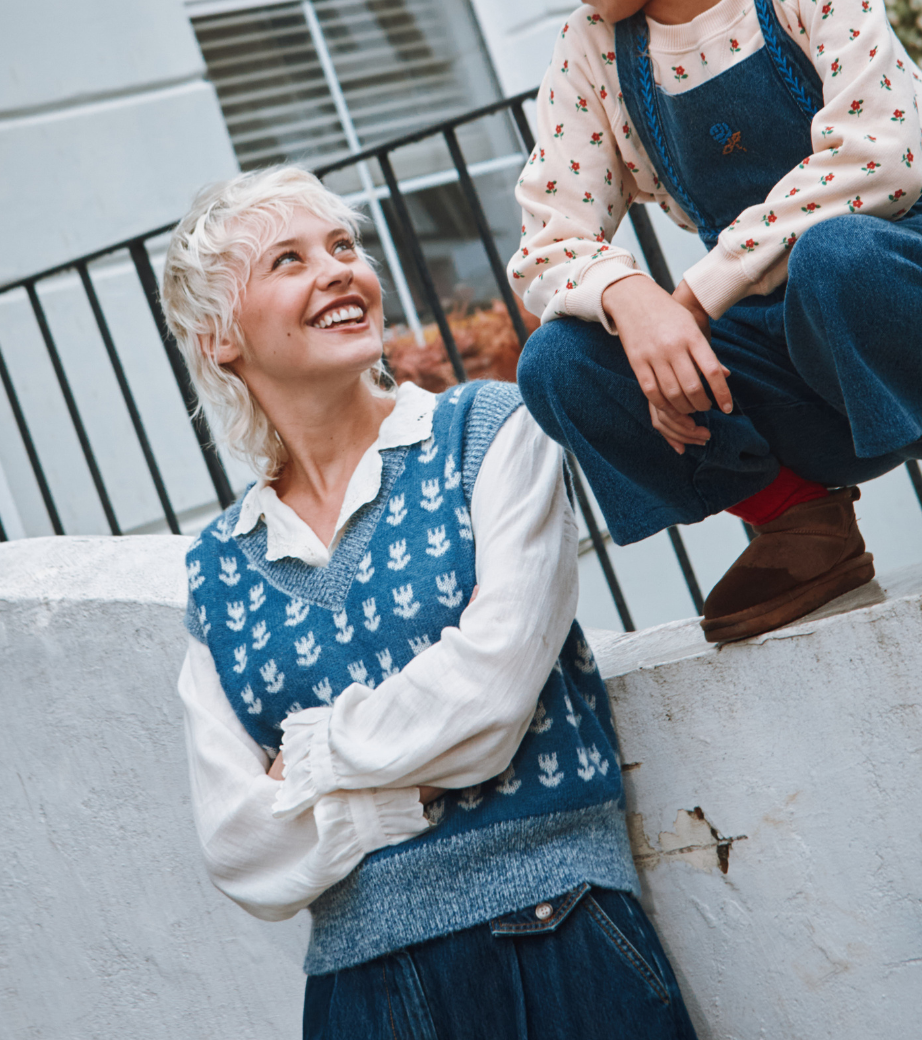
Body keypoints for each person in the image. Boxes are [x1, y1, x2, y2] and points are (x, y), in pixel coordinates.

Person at [161, 166, 700, 1039]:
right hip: (357, 992)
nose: (339, 270)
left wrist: (309, 756)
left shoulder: (491, 434)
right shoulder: (219, 571)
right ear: (219, 336)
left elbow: (489, 700)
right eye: (289, 261)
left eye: (345, 246)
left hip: (560, 938)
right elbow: (236, 845)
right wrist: (387, 794)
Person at [510, 0, 922, 642]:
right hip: (783, 365)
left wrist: (695, 299)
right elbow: (545, 242)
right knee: (560, 359)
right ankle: (799, 521)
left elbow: (883, 156)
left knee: (836, 257)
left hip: (891, 298)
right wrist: (628, 296)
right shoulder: (593, 48)